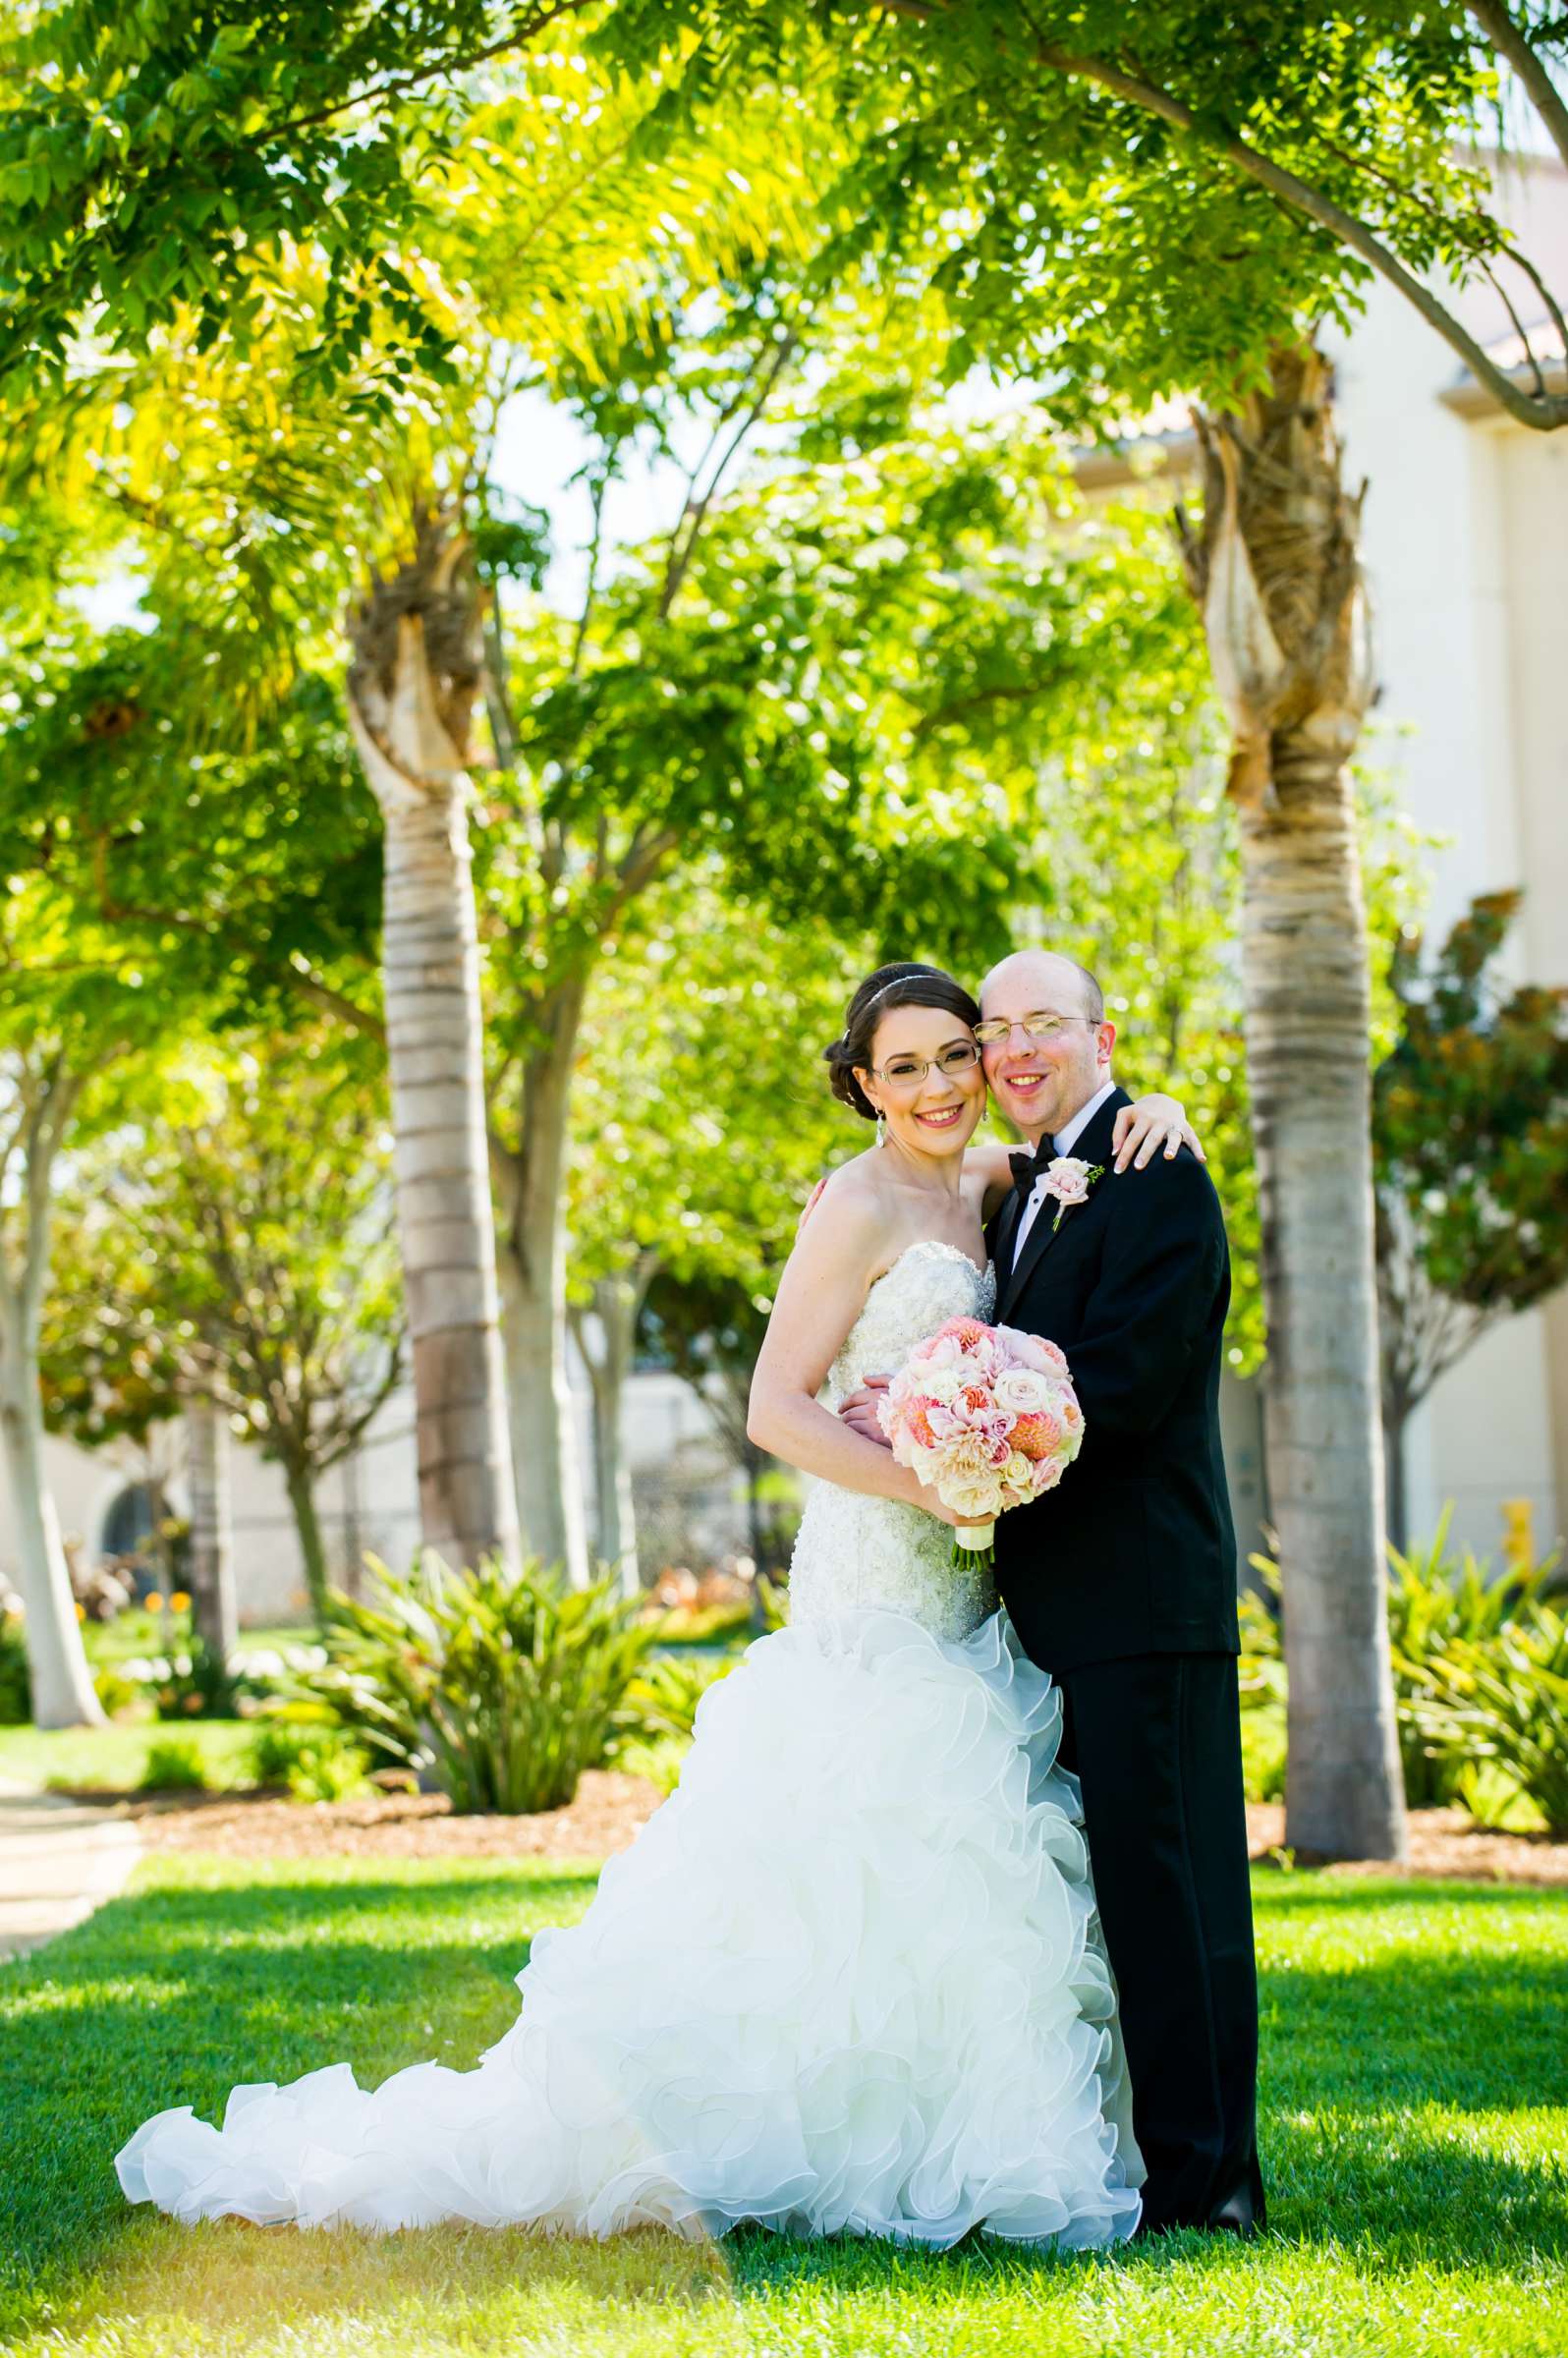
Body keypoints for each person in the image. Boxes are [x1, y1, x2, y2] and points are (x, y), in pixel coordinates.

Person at [115, 961, 1196, 2251]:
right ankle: (774, 2128)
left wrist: (1160, 1108)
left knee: (969, 1838)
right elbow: (775, 1408)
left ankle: (935, 2124)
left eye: (953, 1057)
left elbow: (1084, 1169)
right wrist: (934, 1475)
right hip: (879, 1560)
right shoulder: (852, 1207)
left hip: (973, 1577)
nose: (937, 1086)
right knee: (855, 1835)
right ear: (861, 1083)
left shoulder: (996, 1189)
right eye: (901, 1067)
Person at [841, 949, 1265, 2237]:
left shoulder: (1158, 1172)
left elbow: (1117, 1385)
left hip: (1144, 1601)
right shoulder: (1029, 1181)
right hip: (1043, 1609)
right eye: (998, 1029)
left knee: (1175, 1894)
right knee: (1101, 1900)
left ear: (1102, 1035)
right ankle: (1139, 2157)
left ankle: (1213, 2185)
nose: (1014, 1050)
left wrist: (942, 1415)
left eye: (1045, 1026)